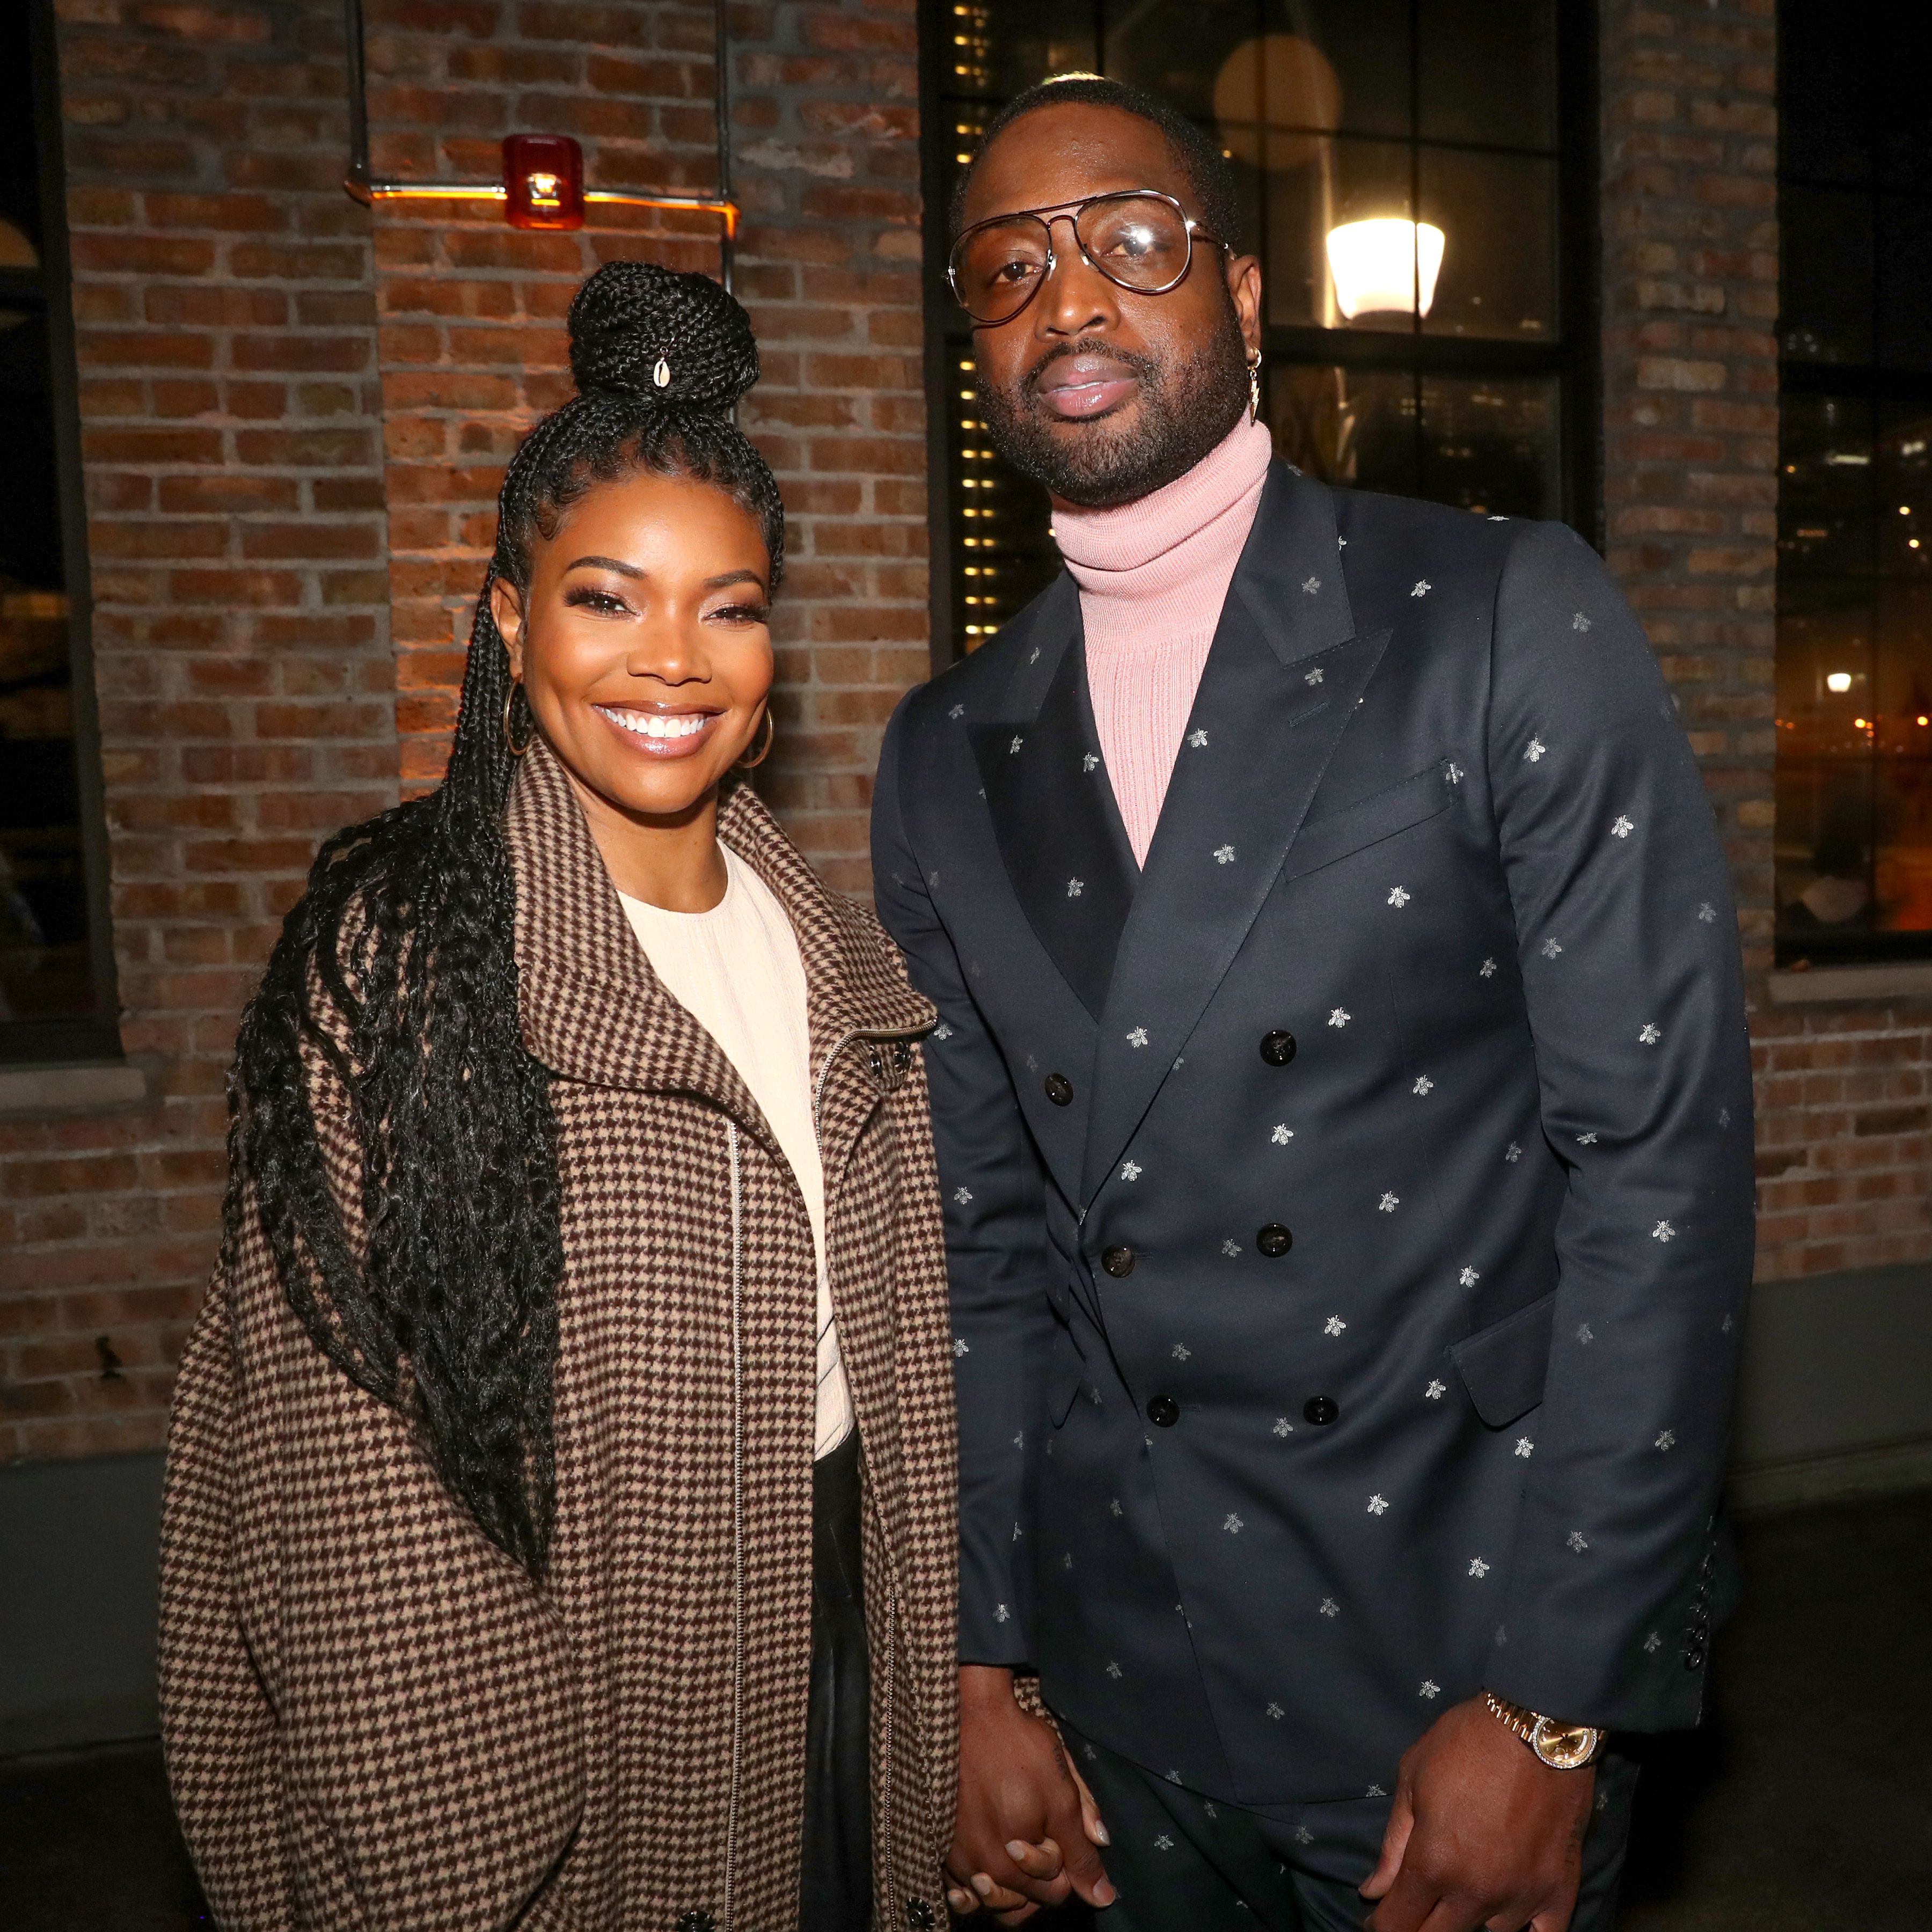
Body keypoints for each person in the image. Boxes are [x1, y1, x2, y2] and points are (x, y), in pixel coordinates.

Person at [872, 75, 1755, 1932]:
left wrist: (1555, 1707)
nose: (1074, 301)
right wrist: (980, 1670)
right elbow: (985, 1255)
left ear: (1247, 295)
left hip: (1446, 1658)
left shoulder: (1497, 611)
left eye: (1133, 239)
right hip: (1116, 1695)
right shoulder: (942, 752)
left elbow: (1657, 1179)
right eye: (1011, 270)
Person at [159, 261, 958, 1932]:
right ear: (512, 619)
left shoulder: (839, 960)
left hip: (837, 1642)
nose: (674, 661)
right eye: (609, 598)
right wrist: (471, 1857)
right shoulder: (397, 967)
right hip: (566, 1728)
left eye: (730, 607)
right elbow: (347, 1489)